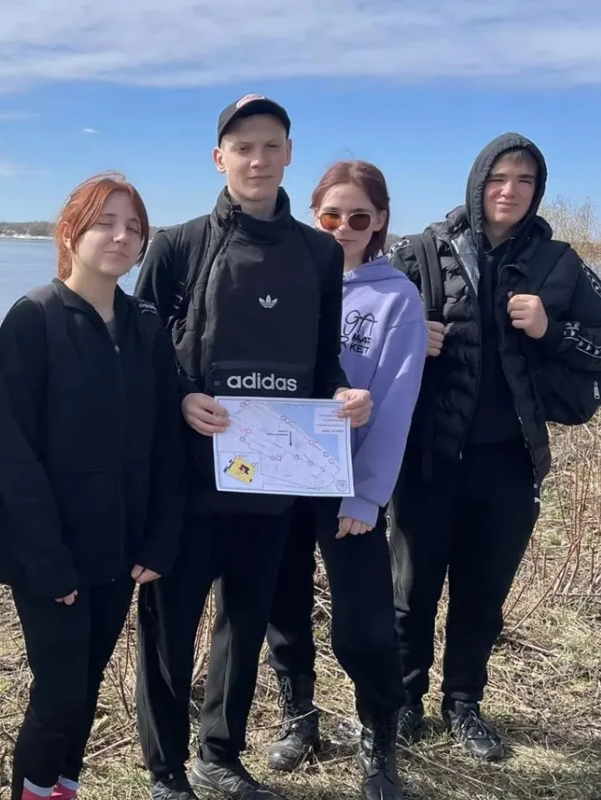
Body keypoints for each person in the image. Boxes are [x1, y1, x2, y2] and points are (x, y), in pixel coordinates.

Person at [132, 94, 373, 800]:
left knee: (242, 625)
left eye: (271, 145)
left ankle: (219, 756)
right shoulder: (178, 246)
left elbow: (324, 362)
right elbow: (143, 353)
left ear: (289, 153)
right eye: (243, 147)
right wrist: (181, 397)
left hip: (271, 475)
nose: (257, 159)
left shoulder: (318, 252)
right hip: (186, 476)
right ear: (220, 158)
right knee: (170, 627)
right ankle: (166, 770)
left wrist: (344, 396)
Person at [386, 133, 601, 762]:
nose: (510, 191)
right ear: (477, 183)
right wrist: (410, 337)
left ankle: (463, 704)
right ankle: (405, 701)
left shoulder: (559, 262)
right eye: (499, 178)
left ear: (537, 191)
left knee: (482, 593)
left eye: (525, 181)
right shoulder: (419, 251)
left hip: (509, 463)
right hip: (426, 458)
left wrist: (553, 329)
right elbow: (357, 324)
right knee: (410, 591)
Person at [0, 172, 186, 800]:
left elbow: (166, 441)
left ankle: (62, 788)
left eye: (134, 228)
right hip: (51, 552)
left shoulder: (144, 326)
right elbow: (9, 450)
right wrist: (48, 561)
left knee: (86, 688)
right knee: (58, 693)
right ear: (70, 233)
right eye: (105, 223)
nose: (121, 237)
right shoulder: (34, 319)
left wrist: (160, 538)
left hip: (119, 548)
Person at [257, 161, 425, 800]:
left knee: (363, 619)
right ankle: (299, 715)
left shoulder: (397, 299)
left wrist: (367, 493)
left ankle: (379, 736)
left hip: (347, 484)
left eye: (359, 216)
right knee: (283, 602)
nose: (344, 227)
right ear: (313, 214)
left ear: (379, 221)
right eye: (331, 215)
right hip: (277, 471)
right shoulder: (285, 281)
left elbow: (396, 403)